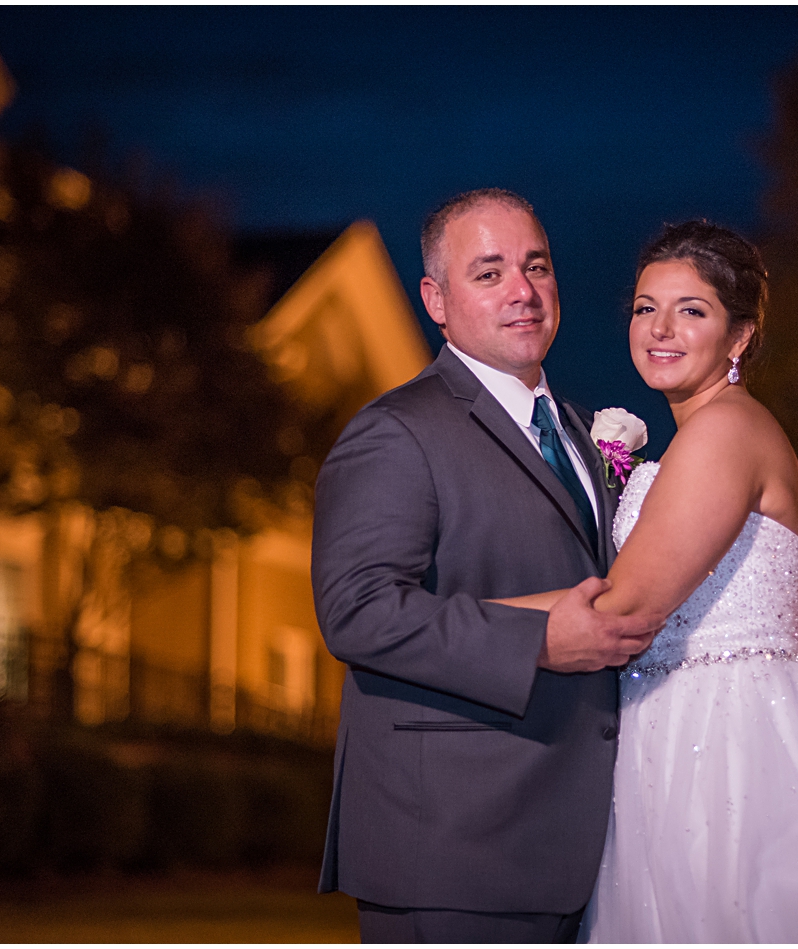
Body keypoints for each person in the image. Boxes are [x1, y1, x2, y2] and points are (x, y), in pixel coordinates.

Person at [497, 221, 798, 941]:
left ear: (741, 335)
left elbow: (627, 604)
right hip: (674, 728)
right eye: (644, 306)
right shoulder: (709, 435)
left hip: (725, 750)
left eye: (691, 310)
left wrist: (454, 618)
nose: (659, 328)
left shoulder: (724, 431)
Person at [310, 189, 666, 942]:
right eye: (490, 271)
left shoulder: (575, 430)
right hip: (454, 850)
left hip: (584, 849)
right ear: (436, 300)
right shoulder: (396, 432)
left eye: (536, 266)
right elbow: (359, 611)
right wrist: (537, 640)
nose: (523, 290)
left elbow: (614, 598)